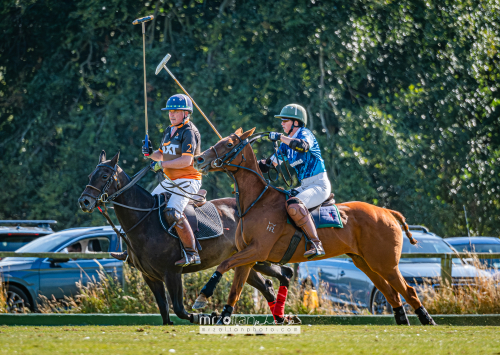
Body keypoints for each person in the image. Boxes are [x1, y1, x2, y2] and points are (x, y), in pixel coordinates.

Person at [111, 94, 202, 267]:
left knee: (173, 212)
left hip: (188, 180)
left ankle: (192, 253)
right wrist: (150, 153)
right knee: (145, 208)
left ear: (186, 113)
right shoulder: (169, 130)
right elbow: (161, 154)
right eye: (170, 111)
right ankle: (131, 250)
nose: (171, 114)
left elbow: (186, 160)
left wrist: (162, 164)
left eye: (175, 111)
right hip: (170, 180)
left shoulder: (189, 131)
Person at [259, 103, 331, 259]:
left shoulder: (305, 134)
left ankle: (316, 243)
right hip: (305, 186)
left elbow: (302, 147)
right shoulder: (285, 145)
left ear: (296, 122)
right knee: (277, 201)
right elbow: (270, 165)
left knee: (294, 205)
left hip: (319, 185)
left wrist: (279, 137)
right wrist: (251, 162)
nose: (282, 123)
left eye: (285, 120)